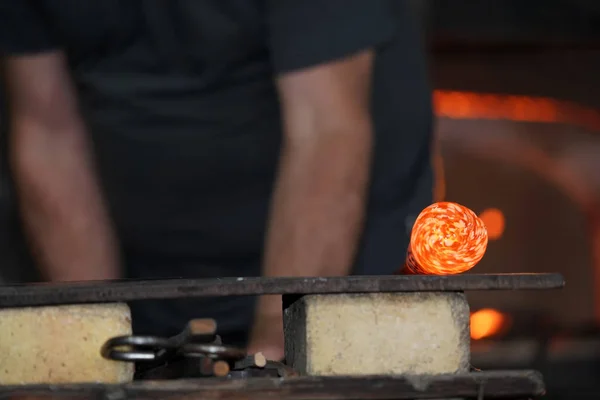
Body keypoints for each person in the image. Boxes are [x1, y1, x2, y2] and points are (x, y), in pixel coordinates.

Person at [0, 0, 433, 360]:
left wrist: (274, 353)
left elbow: (326, 131)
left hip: (334, 273)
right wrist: (92, 343)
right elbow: (48, 130)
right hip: (148, 281)